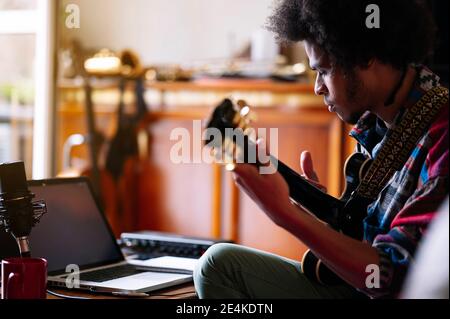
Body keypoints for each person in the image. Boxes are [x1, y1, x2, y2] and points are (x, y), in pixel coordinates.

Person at [193, 0, 449, 299]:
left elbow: (386, 277)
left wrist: (286, 215)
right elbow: (363, 234)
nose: (317, 87)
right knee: (219, 265)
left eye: (324, 70)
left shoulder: (441, 135)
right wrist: (320, 217)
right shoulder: (381, 122)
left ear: (364, 57)